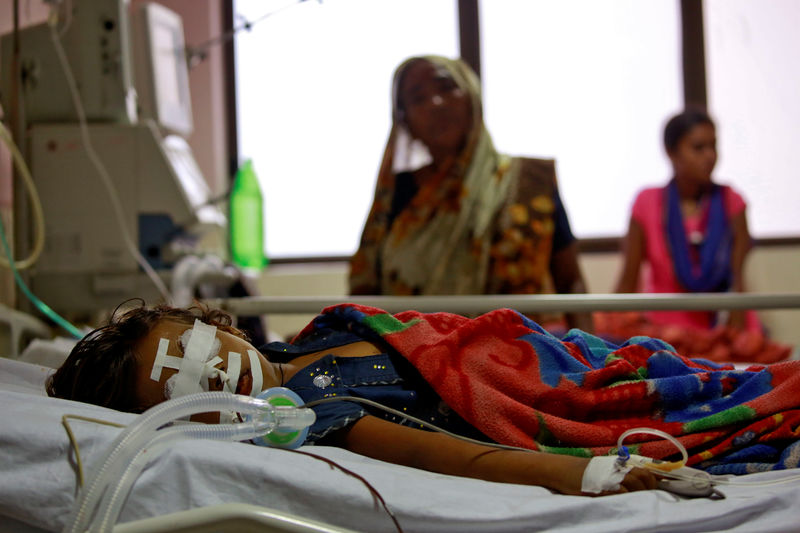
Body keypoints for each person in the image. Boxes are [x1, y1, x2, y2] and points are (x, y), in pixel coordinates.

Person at [48, 301, 800, 497]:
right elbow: (457, 454)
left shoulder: (300, 345)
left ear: (214, 323)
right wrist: (591, 473)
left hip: (557, 356)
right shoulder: (313, 414)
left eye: (198, 351)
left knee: (705, 366)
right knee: (757, 399)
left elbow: (436, 337)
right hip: (556, 401)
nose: (212, 375)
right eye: (186, 391)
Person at [349, 55, 592, 332]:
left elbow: (571, 282)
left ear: (472, 98)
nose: (436, 103)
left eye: (446, 87)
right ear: (407, 124)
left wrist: (589, 355)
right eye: (418, 98)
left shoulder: (530, 183)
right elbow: (364, 294)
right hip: (408, 360)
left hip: (515, 357)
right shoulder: (394, 195)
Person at [615, 108, 757, 332]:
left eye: (713, 146)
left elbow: (736, 283)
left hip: (720, 330)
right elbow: (627, 282)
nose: (710, 156)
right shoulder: (647, 202)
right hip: (665, 334)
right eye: (698, 148)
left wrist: (733, 340)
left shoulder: (732, 201)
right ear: (671, 152)